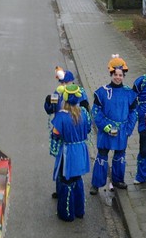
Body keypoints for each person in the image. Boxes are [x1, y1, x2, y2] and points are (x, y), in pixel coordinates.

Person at [89, 56, 137, 194]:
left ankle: (117, 180)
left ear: (123, 76)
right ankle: (96, 183)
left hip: (122, 130)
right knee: (102, 156)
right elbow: (96, 111)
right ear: (111, 74)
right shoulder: (102, 92)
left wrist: (128, 129)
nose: (118, 77)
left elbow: (134, 112)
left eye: (120, 75)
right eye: (115, 75)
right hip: (106, 131)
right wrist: (105, 126)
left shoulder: (129, 93)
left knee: (120, 156)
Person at [51, 83, 91, 221]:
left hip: (68, 152)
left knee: (66, 180)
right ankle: (80, 210)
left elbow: (56, 134)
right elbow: (88, 129)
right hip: (81, 150)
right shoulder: (84, 113)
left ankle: (67, 213)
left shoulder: (61, 116)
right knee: (77, 178)